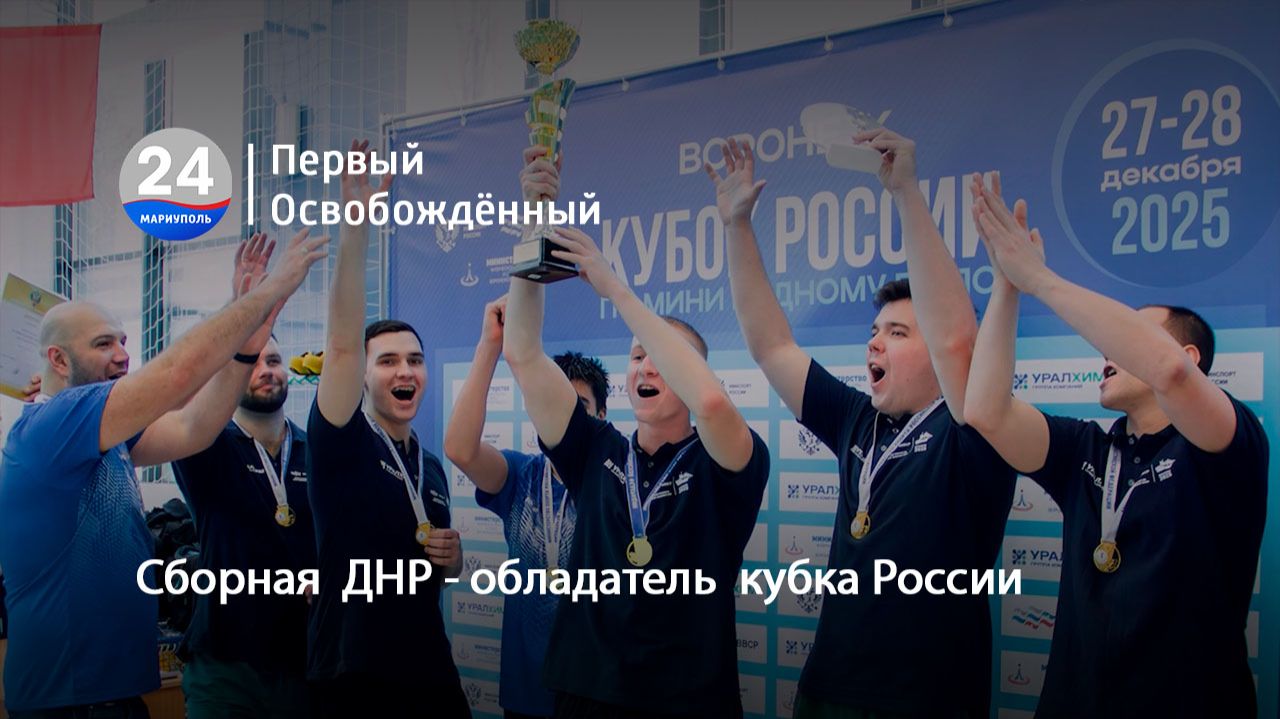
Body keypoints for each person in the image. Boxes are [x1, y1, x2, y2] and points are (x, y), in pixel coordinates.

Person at [709, 133, 1015, 717]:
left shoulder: (976, 431)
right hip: (827, 690)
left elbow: (958, 339)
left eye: (897, 333)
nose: (875, 342)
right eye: (874, 331)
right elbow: (772, 346)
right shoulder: (858, 418)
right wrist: (737, 227)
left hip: (928, 701)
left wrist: (905, 192)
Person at [963, 174, 1268, 718]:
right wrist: (1008, 284)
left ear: (1193, 358)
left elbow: (1169, 371)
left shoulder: (1224, 444)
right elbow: (986, 411)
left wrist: (1041, 279)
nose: (1105, 349)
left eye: (1125, 336)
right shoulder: (1087, 449)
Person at [0, 228, 327, 718]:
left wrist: (245, 346)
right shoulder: (53, 423)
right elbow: (176, 376)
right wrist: (269, 292)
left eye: (123, 340)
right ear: (58, 359)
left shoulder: (105, 437)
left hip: (114, 693)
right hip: (68, 700)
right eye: (103, 344)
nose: (123, 354)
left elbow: (195, 427)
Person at [503, 145, 769, 719]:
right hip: (586, 692)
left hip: (686, 702)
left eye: (661, 358)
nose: (646, 366)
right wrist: (534, 222)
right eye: (636, 356)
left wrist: (618, 291)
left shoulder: (724, 460)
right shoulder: (596, 448)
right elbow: (522, 353)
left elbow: (710, 401)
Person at [305, 140, 468, 717]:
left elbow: (440, 569)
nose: (405, 371)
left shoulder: (431, 465)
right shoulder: (341, 442)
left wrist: (452, 559)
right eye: (388, 361)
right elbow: (342, 344)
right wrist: (356, 229)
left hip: (428, 667)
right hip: (353, 674)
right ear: (363, 376)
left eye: (414, 360)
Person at [444, 294, 609, 719]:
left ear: (601, 417)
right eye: (553, 406)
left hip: (596, 690)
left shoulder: (616, 483)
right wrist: (490, 348)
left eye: (578, 411)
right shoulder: (521, 475)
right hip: (526, 689)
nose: (563, 422)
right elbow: (461, 449)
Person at [171, 240, 315, 719]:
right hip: (225, 665)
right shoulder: (206, 446)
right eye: (252, 362)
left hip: (304, 661)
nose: (265, 371)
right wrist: (240, 307)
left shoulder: (315, 451)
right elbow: (188, 387)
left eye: (273, 361)